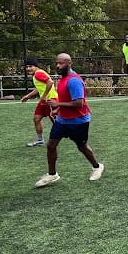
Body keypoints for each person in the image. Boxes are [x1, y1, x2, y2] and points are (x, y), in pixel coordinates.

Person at [34, 53, 104, 188]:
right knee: (51, 145)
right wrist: (58, 110)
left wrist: (58, 105)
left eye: (61, 63)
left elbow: (79, 103)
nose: (58, 66)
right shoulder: (62, 80)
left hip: (79, 121)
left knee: (82, 146)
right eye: (56, 63)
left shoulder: (74, 81)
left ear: (69, 63)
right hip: (62, 121)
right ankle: (52, 174)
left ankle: (97, 167)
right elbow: (65, 99)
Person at [20, 57, 58, 147]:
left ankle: (74, 133)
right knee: (37, 119)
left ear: (35, 66)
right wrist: (28, 96)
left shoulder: (38, 74)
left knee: (57, 122)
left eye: (30, 66)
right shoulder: (37, 74)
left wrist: (44, 96)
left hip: (50, 100)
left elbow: (50, 82)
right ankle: (40, 140)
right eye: (27, 67)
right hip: (44, 100)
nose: (28, 68)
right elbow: (39, 87)